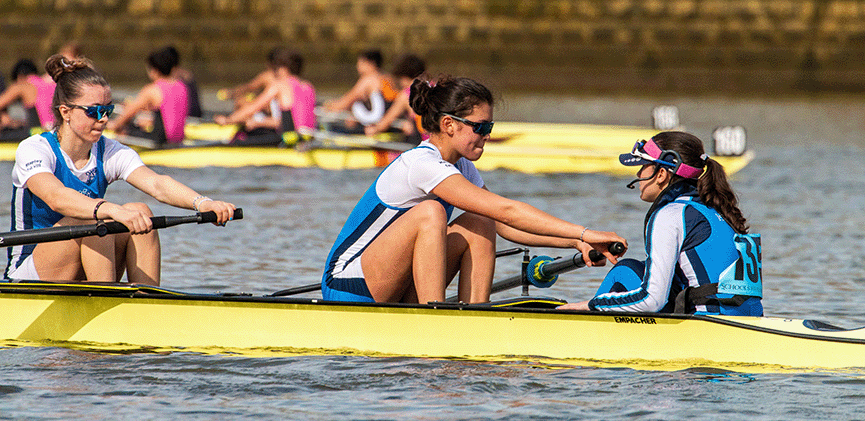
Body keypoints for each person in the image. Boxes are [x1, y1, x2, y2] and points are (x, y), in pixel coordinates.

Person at [321, 76, 627, 304]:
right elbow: (508, 209)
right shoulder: (421, 163)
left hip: (390, 281)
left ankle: (474, 316)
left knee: (481, 222)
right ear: (449, 125)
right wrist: (587, 232)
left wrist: (576, 242)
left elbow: (504, 222)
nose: (485, 137)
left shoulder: (462, 166)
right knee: (430, 212)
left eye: (489, 129)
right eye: (479, 128)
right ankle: (435, 319)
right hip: (348, 285)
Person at [5, 54, 235, 285]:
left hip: (87, 254)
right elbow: (56, 197)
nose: (103, 119)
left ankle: (146, 298)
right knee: (93, 222)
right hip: (30, 271)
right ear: (66, 112)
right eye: (94, 111)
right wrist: (111, 210)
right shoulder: (34, 149)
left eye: (108, 110)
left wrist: (203, 203)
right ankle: (105, 299)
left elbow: (157, 184)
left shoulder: (109, 151)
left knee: (140, 211)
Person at [558, 131, 763, 316]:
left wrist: (591, 305)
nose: (638, 174)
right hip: (752, 319)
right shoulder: (716, 208)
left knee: (626, 270)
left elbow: (652, 301)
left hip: (710, 328)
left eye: (643, 166)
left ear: (661, 174)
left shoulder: (670, 214)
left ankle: (590, 330)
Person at [214, 49, 316, 146]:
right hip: (308, 139)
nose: (274, 73)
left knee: (238, 138)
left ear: (284, 69)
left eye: (276, 69)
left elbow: (253, 108)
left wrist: (228, 120)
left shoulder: (279, 85)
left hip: (289, 140)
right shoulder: (308, 86)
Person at [107, 46, 189, 145]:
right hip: (178, 140)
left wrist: (114, 125)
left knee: (122, 130)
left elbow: (129, 113)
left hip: (160, 142)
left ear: (154, 71)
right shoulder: (181, 86)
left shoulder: (152, 89)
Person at [323, 49, 398, 131]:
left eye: (360, 63)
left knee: (330, 126)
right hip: (392, 125)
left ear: (370, 63)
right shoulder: (389, 78)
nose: (357, 67)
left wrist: (329, 106)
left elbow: (345, 102)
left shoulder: (369, 79)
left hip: (374, 127)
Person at [364, 54, 427, 145]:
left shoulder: (406, 95)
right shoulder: (433, 86)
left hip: (424, 145)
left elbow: (385, 123)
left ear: (403, 76)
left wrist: (373, 129)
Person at [0, 59, 56, 132]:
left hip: (39, 133)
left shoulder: (23, 85)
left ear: (19, 77)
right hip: (57, 132)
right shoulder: (50, 84)